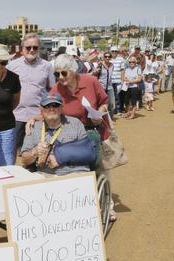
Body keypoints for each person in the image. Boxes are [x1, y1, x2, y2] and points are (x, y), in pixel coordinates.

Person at [27, 54, 117, 221]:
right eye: (56, 74)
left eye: (63, 73)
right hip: (72, 137)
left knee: (100, 169)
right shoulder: (56, 90)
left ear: (73, 71)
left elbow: (105, 102)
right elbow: (48, 111)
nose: (60, 78)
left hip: (94, 130)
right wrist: (33, 119)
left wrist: (100, 112)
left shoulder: (91, 82)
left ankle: (108, 205)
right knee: (76, 170)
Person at [21, 93, 91, 176]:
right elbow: (25, 160)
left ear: (61, 108)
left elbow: (87, 152)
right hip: (45, 174)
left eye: (55, 105)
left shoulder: (75, 124)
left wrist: (61, 157)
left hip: (74, 172)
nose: (51, 109)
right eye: (47, 106)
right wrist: (34, 152)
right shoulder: (34, 127)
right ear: (41, 109)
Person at [7, 33, 55, 151]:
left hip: (38, 117)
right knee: (12, 151)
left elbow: (52, 90)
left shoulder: (47, 66)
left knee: (37, 151)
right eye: (28, 47)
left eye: (35, 47)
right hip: (16, 116)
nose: (31, 50)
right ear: (22, 48)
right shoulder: (12, 66)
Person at [93, 51, 115, 116]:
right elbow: (95, 75)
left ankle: (110, 118)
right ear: (103, 57)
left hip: (109, 87)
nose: (107, 58)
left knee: (110, 103)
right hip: (101, 87)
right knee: (101, 103)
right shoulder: (100, 65)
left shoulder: (112, 65)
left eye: (109, 57)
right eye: (106, 57)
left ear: (111, 58)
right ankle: (101, 117)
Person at [110, 46, 126, 114]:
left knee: (117, 96)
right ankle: (111, 110)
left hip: (118, 81)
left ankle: (118, 110)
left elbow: (122, 70)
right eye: (112, 51)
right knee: (110, 96)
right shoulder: (108, 58)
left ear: (117, 52)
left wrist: (122, 80)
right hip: (110, 81)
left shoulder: (121, 59)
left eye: (115, 51)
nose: (114, 53)